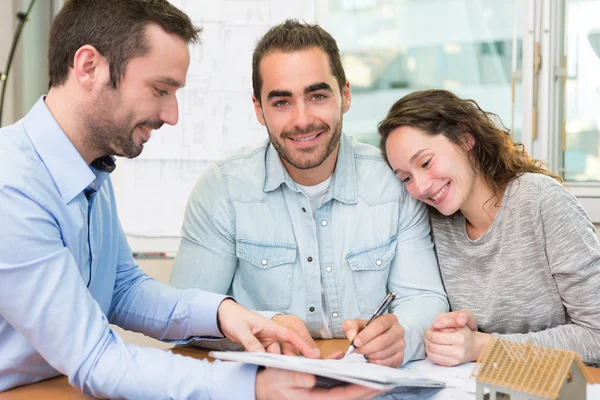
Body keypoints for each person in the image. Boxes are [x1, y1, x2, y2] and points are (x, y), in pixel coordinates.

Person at [0, 1, 380, 399]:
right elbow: (95, 359)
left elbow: (122, 288)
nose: (172, 114)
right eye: (160, 89)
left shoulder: (90, 168)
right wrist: (255, 387)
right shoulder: (13, 186)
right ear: (89, 67)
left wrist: (224, 314)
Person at [170, 19, 448, 368]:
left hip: (372, 381)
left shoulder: (394, 181)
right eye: (282, 102)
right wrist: (265, 324)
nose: (302, 120)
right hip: (263, 381)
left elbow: (425, 297)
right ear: (259, 110)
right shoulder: (222, 190)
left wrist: (402, 334)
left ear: (345, 95)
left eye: (317, 96)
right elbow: (183, 313)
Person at [378, 89, 600, 367]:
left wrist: (485, 346)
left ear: (466, 137)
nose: (420, 187)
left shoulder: (542, 201)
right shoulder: (436, 221)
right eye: (406, 178)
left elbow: (596, 335)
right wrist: (459, 331)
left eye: (426, 162)